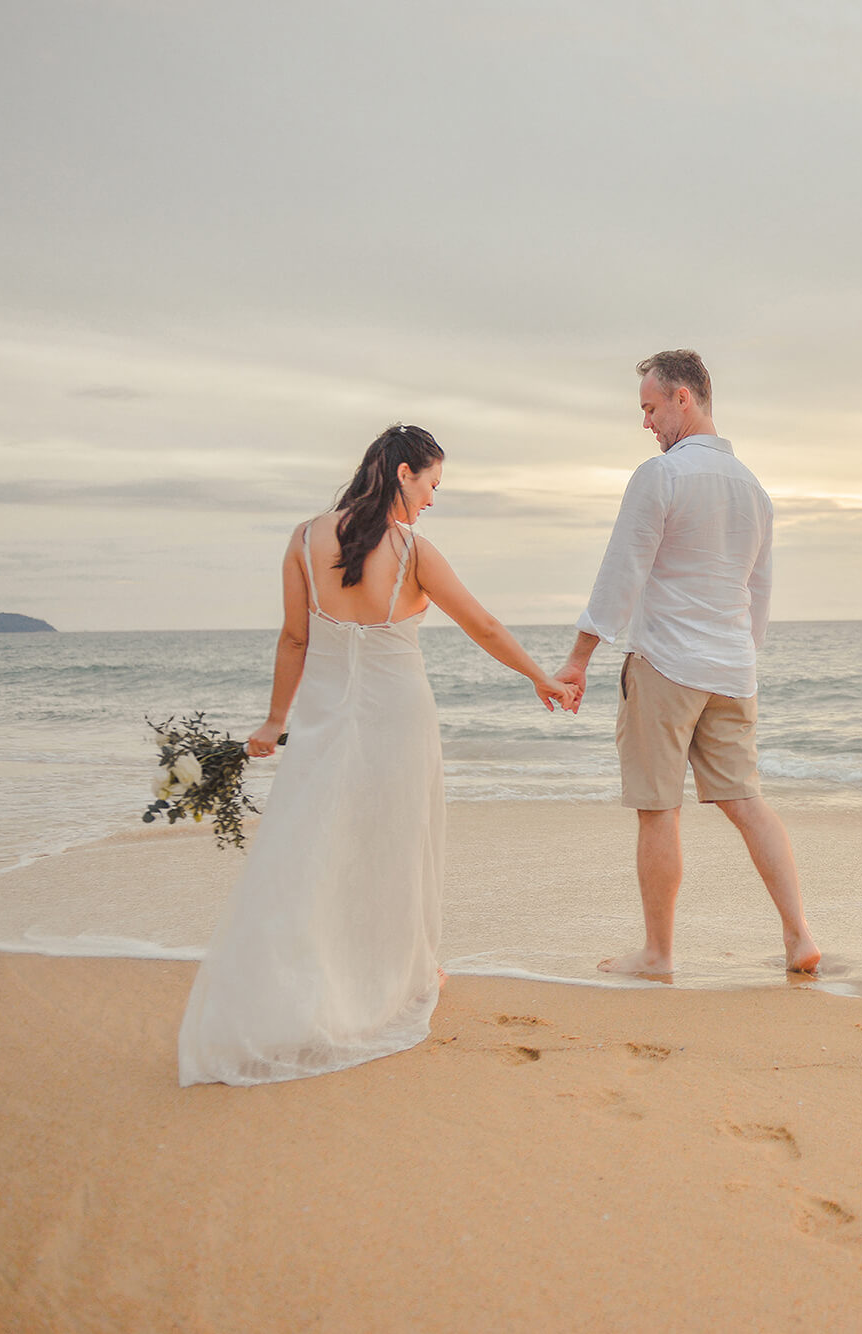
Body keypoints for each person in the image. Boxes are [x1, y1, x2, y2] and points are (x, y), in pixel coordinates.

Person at [179, 424, 577, 1086]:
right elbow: (481, 623)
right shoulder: (413, 550)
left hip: (326, 719)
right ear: (403, 474)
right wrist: (539, 676)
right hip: (399, 719)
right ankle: (405, 976)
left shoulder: (305, 538)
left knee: (316, 848)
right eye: (431, 484)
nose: (432, 499)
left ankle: (320, 980)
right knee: (394, 845)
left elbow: (293, 639)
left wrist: (275, 720)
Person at [557, 350, 820, 977]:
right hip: (732, 669)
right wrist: (740, 653)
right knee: (748, 803)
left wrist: (578, 658)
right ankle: (799, 936)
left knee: (658, 808)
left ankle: (658, 954)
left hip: (667, 664)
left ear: (685, 398)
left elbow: (623, 570)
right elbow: (760, 588)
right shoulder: (753, 488)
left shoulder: (661, 475)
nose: (646, 422)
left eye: (650, 407)